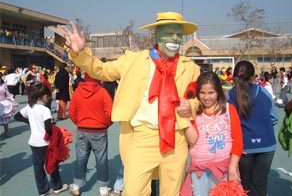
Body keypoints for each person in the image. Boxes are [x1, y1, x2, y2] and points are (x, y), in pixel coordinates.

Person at [61, 11, 200, 196]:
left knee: (171, 192)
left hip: (176, 139)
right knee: (133, 191)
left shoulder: (190, 68)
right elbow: (102, 70)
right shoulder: (133, 60)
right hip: (142, 137)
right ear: (157, 34)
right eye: (170, 33)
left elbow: (197, 97)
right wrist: (80, 53)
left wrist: (190, 105)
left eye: (179, 34)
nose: (175, 38)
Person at [180, 72, 243, 196]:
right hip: (199, 171)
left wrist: (232, 168)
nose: (206, 97)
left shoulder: (229, 110)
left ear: (218, 92)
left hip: (223, 169)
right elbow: (192, 140)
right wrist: (186, 117)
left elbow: (238, 141)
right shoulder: (194, 113)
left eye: (211, 93)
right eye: (202, 93)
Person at [228, 61, 278, 196]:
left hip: (244, 147)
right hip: (267, 144)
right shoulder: (263, 91)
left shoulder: (229, 96)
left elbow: (228, 122)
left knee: (244, 185)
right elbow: (274, 117)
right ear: (253, 77)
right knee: (260, 185)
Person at [13, 82, 68, 195]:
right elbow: (48, 128)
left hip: (34, 143)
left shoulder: (30, 107)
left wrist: (28, 121)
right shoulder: (45, 110)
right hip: (46, 143)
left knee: (38, 168)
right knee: (52, 164)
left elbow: (17, 116)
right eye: (48, 96)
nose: (48, 98)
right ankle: (57, 186)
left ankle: (43, 190)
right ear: (43, 96)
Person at [68, 74, 113, 196]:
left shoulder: (77, 91)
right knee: (101, 159)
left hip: (82, 129)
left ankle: (76, 186)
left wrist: (79, 122)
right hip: (99, 130)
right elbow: (110, 112)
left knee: (81, 158)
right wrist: (106, 124)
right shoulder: (103, 92)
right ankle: (103, 189)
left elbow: (71, 111)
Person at [0, 72, 18, 137]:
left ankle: (6, 132)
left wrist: (13, 100)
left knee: (5, 120)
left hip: (4, 103)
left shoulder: (4, 85)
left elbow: (8, 94)